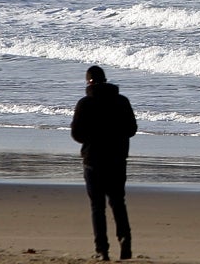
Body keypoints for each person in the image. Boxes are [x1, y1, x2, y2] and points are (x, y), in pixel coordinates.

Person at [71, 65, 138, 261]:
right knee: (118, 203)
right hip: (117, 159)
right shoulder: (122, 101)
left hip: (93, 160)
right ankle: (125, 243)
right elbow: (132, 129)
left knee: (97, 207)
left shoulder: (84, 103)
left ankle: (102, 250)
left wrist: (93, 137)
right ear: (106, 79)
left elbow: (76, 134)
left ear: (88, 81)